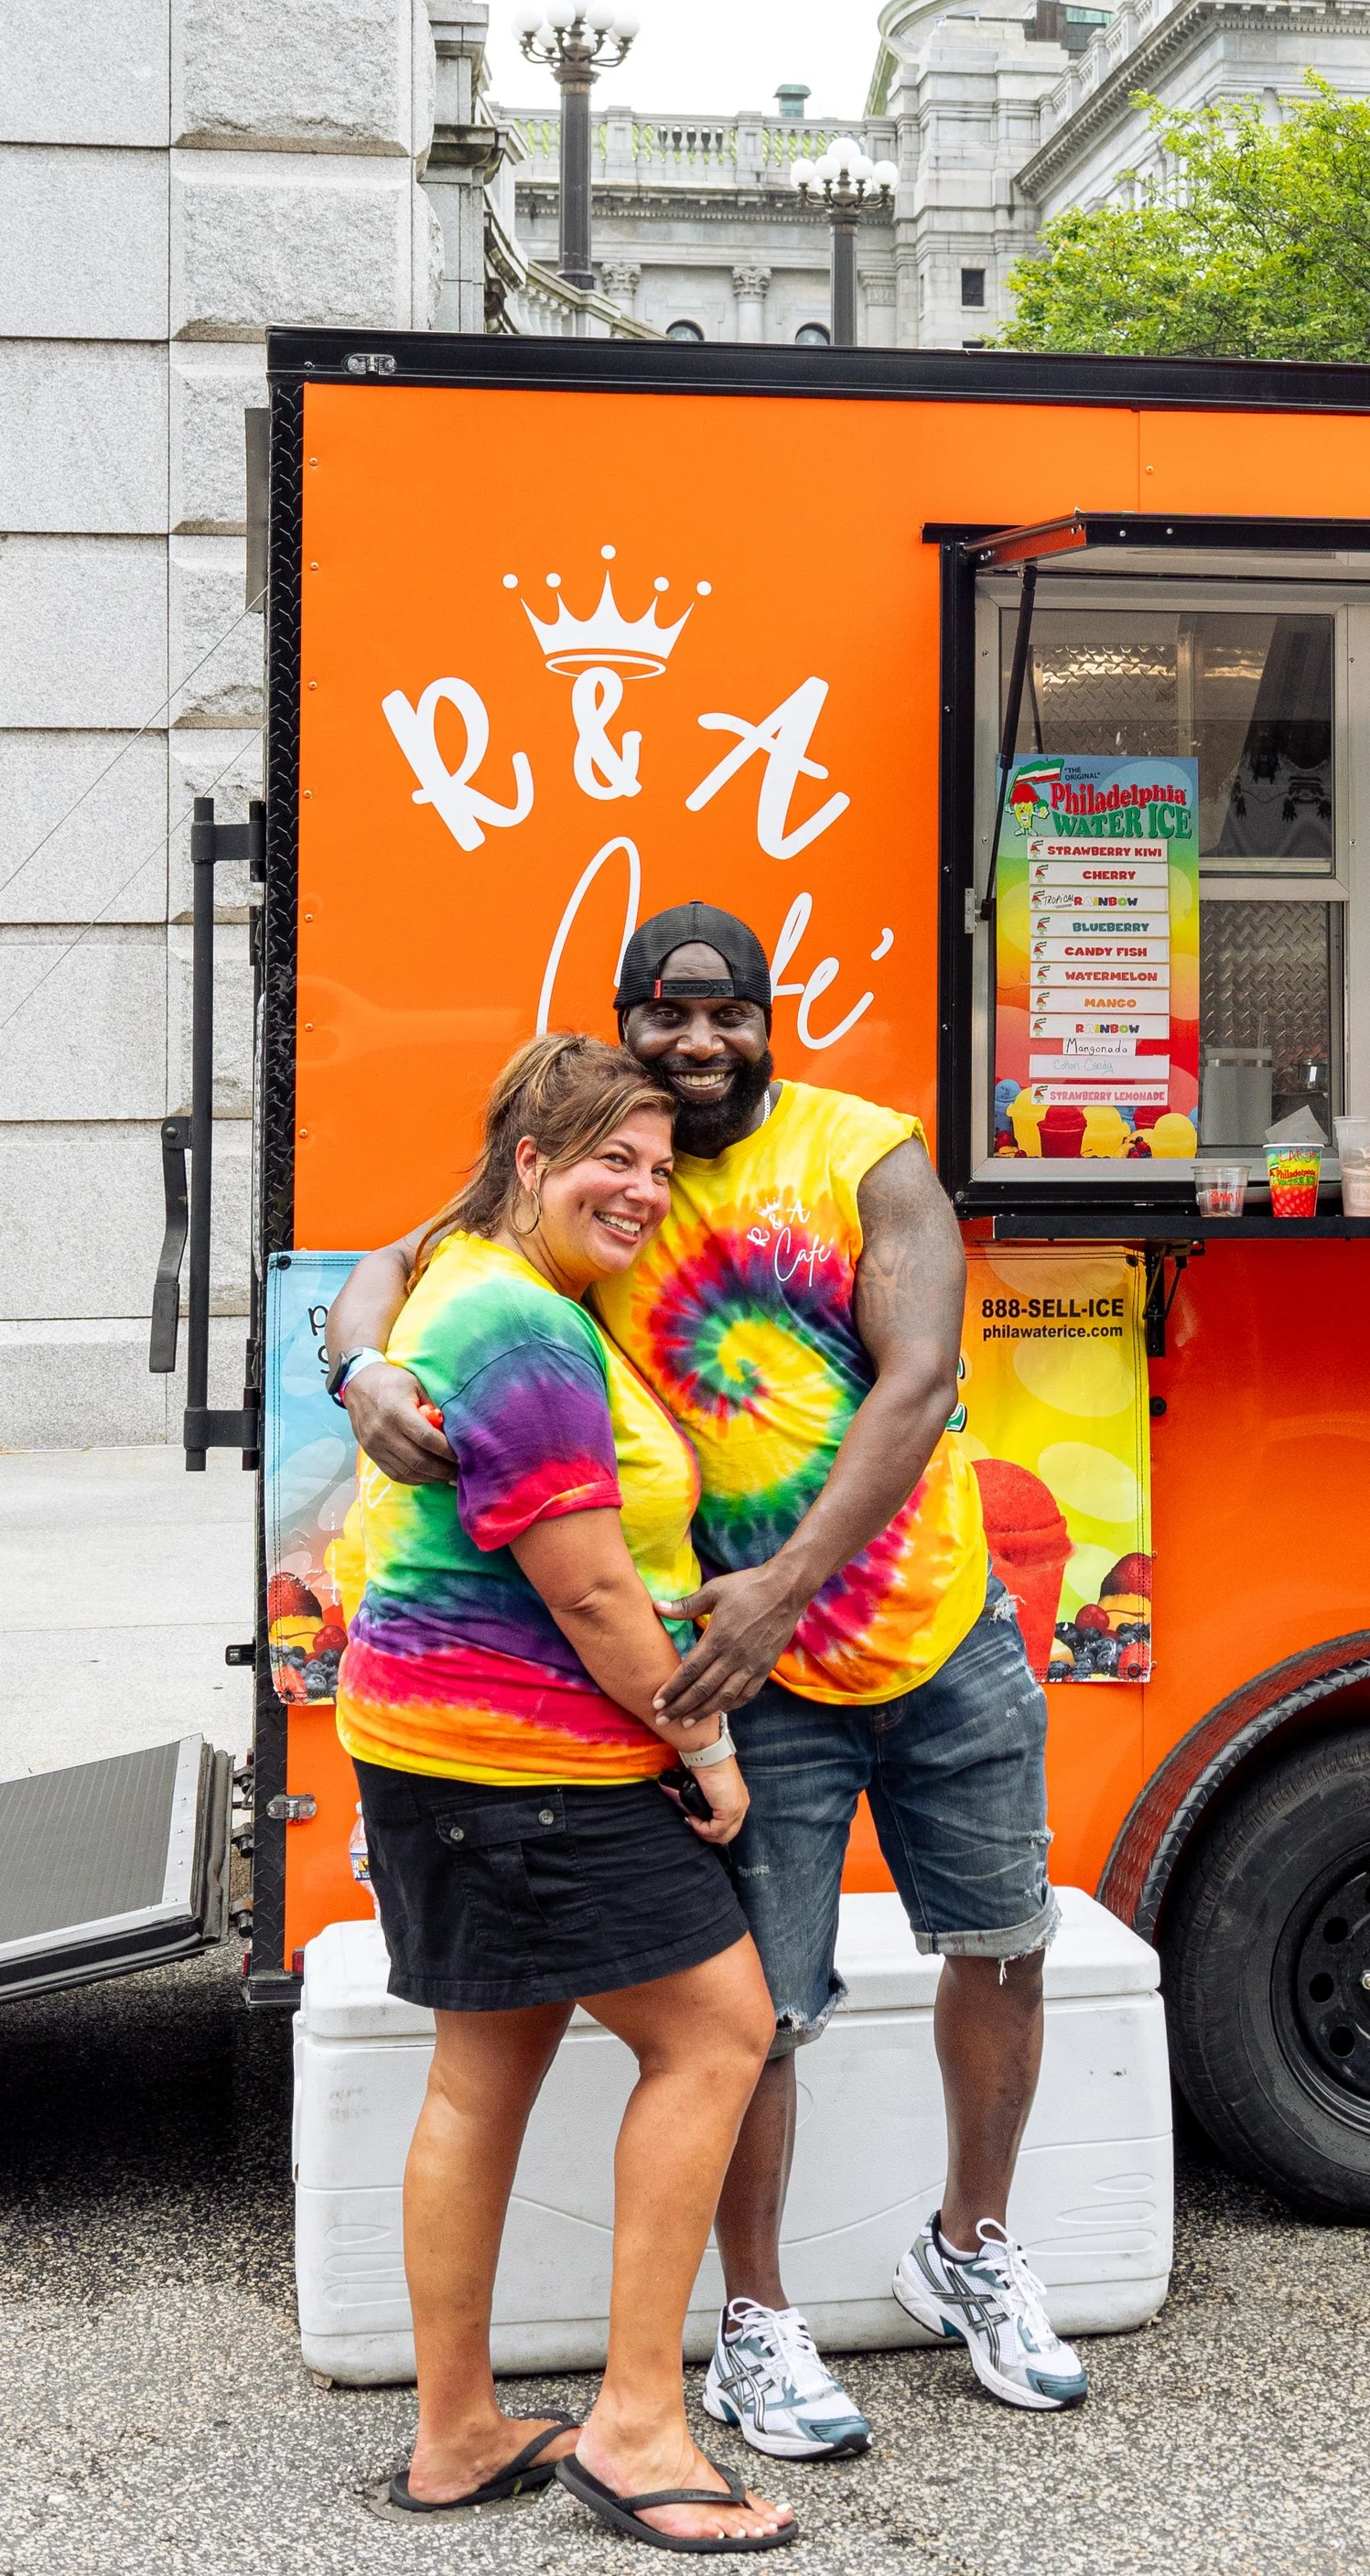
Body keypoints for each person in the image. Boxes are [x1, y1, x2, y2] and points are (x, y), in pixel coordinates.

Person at [329, 903, 1087, 2461]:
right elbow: (397, 1262)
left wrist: (783, 1588)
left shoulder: (863, 1148)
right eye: (667, 1017)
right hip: (743, 1687)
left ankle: (973, 2243)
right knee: (767, 2008)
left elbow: (926, 1374)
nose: (699, 1042)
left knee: (1001, 1939)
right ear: (623, 1025)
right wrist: (359, 1374)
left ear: (769, 1012)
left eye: (728, 1012)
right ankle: (754, 2321)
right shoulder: (606, 1155)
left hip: (936, 1631)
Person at [333, 1032, 793, 2549]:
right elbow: (593, 1596)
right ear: (529, 1156)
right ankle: (641, 2426)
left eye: (661, 1169)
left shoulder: (465, 1279)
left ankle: (457, 2433)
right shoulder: (522, 1329)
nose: (644, 1192)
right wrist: (708, 1751)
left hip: (440, 1754)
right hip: (532, 1763)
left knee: (484, 2070)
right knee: (720, 2028)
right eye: (616, 1159)